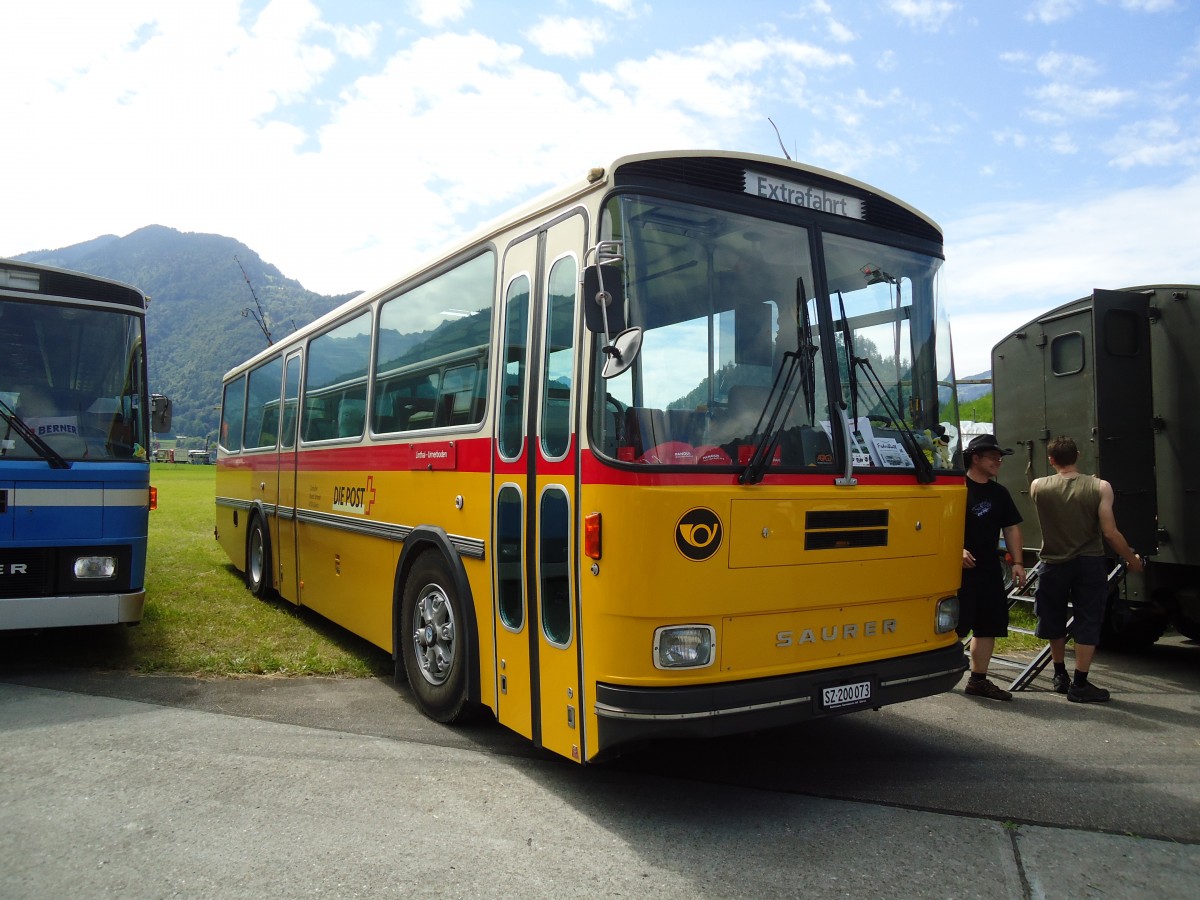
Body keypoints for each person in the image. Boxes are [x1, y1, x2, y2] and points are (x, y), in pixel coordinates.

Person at [1030, 436, 1144, 703]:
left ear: (1051, 460)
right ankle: (1080, 683)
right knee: (1088, 619)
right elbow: (1110, 532)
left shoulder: (1038, 486)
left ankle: (1059, 675)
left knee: (1053, 618)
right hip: (1088, 561)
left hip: (1053, 562)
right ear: (1078, 455)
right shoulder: (1100, 486)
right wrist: (1131, 558)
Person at [959, 434, 1026, 701]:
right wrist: (955, 550)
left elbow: (1010, 527)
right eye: (993, 457)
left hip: (988, 567)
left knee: (988, 624)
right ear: (975, 458)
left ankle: (978, 680)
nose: (999, 461)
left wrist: (1019, 562)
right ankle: (941, 672)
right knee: (956, 625)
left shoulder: (999, 492)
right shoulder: (956, 487)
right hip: (957, 569)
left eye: (1000, 457)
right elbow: (936, 525)